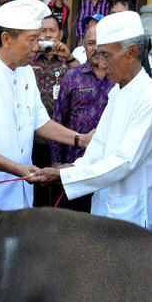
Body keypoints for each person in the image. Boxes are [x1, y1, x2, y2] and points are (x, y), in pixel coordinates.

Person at [36, 11, 152, 232]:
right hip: (105, 207)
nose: (101, 63)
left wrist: (66, 175)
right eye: (98, 55)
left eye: (107, 55)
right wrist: (72, 167)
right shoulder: (118, 92)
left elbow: (124, 161)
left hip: (134, 214)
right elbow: (99, 145)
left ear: (132, 52)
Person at [0, 0, 92, 211]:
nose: (38, 46)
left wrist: (79, 139)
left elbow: (39, 121)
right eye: (32, 39)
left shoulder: (25, 70)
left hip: (22, 193)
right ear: (7, 39)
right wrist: (19, 169)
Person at [51, 19, 114, 212]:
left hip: (108, 169)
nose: (95, 48)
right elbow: (59, 118)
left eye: (100, 42)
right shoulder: (73, 76)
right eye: (90, 43)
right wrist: (56, 163)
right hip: (74, 167)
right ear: (83, 45)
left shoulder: (119, 78)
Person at [31, 15, 78, 206]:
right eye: (43, 31)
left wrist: (69, 57)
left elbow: (85, 79)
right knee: (36, 182)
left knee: (59, 184)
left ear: (60, 34)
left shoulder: (67, 59)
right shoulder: (28, 58)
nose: (47, 35)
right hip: (35, 137)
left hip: (61, 136)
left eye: (52, 30)